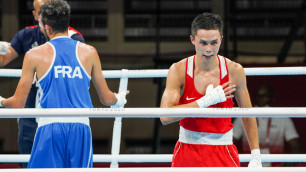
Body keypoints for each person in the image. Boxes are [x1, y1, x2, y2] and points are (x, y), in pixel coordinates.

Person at [0, 0, 128, 168]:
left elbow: (18, 104)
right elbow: (106, 98)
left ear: (47, 27)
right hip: (80, 128)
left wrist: (1, 101)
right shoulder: (89, 52)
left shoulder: (34, 55)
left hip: (49, 127)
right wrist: (118, 99)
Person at [159, 12, 262, 167]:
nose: (208, 49)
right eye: (203, 43)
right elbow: (165, 117)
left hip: (223, 150)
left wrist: (256, 155)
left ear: (221, 38)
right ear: (192, 39)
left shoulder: (234, 71)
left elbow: (247, 115)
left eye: (214, 43)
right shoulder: (178, 70)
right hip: (188, 149)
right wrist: (205, 101)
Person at [0, 0, 84, 167]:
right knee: (28, 160)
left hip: (60, 108)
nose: (46, 16)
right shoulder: (26, 35)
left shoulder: (74, 38)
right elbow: (3, 60)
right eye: (42, 12)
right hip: (30, 106)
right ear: (35, 15)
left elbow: (78, 75)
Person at [233, 84, 301, 167]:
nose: (261, 98)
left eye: (265, 96)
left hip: (276, 166)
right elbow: (231, 141)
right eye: (258, 95)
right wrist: (237, 163)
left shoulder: (283, 117)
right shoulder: (245, 116)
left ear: (272, 98)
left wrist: (289, 165)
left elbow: (295, 145)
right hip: (250, 165)